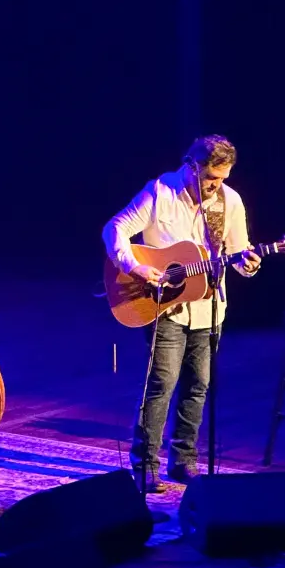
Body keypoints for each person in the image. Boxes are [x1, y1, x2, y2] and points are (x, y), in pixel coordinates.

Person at [103, 134, 261, 493]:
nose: (215, 186)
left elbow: (238, 251)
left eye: (222, 179)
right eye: (210, 179)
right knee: (161, 386)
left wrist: (249, 263)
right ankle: (145, 464)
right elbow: (115, 229)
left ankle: (183, 459)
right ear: (191, 167)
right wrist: (135, 266)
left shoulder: (229, 201)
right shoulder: (160, 192)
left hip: (209, 309)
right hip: (165, 308)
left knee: (199, 386)